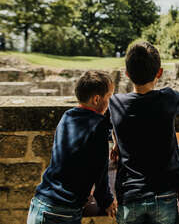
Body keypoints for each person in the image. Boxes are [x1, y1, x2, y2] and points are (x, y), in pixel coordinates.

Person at [109, 40, 179, 224]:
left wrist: (115, 143)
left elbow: (112, 126)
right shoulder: (167, 99)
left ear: (127, 74)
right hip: (164, 192)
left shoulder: (115, 104)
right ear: (159, 73)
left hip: (130, 193)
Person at [27, 71, 117, 224]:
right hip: (62, 212)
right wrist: (107, 201)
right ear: (96, 99)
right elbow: (100, 172)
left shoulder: (67, 116)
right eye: (109, 97)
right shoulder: (98, 127)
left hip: (40, 204)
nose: (110, 103)